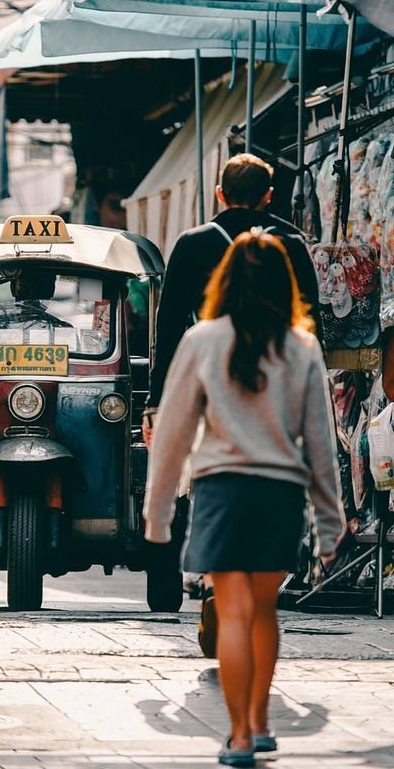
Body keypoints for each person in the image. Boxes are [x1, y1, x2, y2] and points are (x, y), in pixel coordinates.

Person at [144, 232, 345, 768]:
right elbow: (320, 443)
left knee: (230, 614)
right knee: (263, 611)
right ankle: (259, 723)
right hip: (280, 495)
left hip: (221, 492)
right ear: (284, 286)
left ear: (224, 281)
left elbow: (173, 436)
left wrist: (157, 513)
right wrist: (331, 524)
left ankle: (237, 737)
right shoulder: (301, 347)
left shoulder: (202, 340)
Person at [142, 154, 320, 646]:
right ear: (269, 194)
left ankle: (206, 580)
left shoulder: (194, 243)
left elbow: (171, 325)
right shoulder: (291, 242)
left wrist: (157, 400)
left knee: (202, 481)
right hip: (279, 379)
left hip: (211, 374)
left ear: (219, 193)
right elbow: (312, 323)